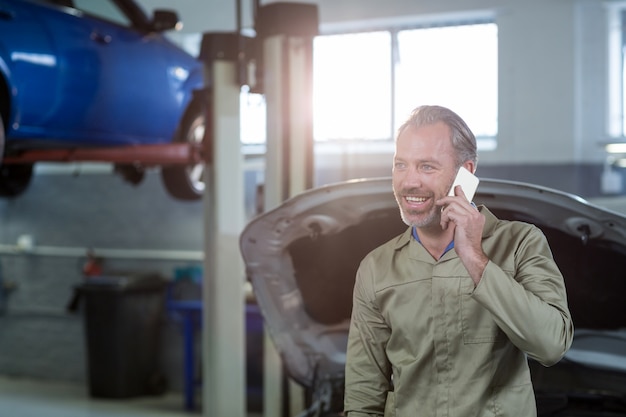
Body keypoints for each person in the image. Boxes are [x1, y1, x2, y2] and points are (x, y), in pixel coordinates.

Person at [343, 105, 573, 417]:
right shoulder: (377, 268)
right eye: (401, 165)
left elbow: (551, 346)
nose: (409, 182)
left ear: (465, 172)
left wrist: (475, 259)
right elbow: (362, 395)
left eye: (426, 167)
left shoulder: (521, 243)